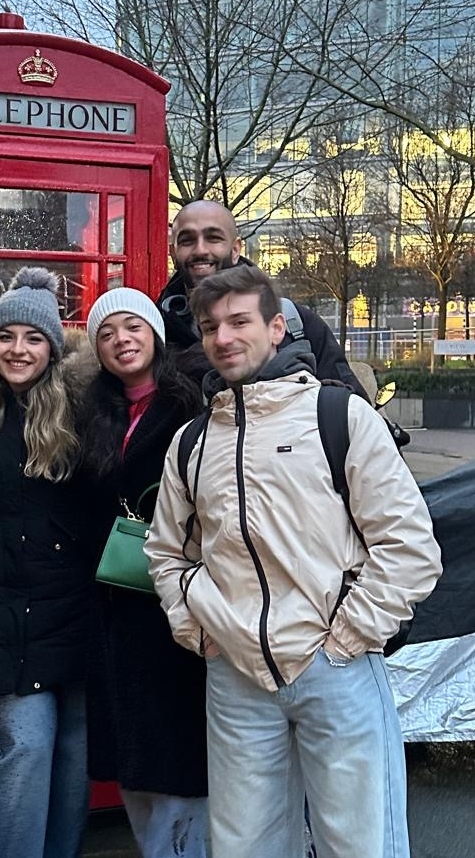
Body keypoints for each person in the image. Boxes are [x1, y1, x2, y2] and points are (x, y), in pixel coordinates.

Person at [145, 265, 442, 858]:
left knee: (360, 844)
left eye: (239, 321)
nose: (223, 337)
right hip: (234, 676)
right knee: (244, 846)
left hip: (335, 666)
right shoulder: (192, 442)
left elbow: (410, 546)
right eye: (209, 327)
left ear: (277, 327)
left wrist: (349, 635)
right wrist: (199, 628)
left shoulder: (340, 417)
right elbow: (166, 551)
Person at [0, 267, 93, 858]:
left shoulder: (82, 411)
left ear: (53, 347)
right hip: (3, 611)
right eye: (6, 336)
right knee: (29, 745)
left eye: (33, 338)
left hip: (76, 608)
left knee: (74, 752)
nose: (18, 349)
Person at [80, 288, 209, 858]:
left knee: (181, 753)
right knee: (132, 755)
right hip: (113, 600)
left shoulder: (194, 405)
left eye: (133, 327)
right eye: (107, 334)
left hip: (177, 599)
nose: (121, 341)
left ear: (156, 333)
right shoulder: (93, 411)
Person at [157, 199, 368, 395]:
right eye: (187, 240)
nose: (200, 249)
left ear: (235, 249)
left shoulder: (297, 322)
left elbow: (351, 411)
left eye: (213, 238)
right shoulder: (155, 331)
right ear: (172, 253)